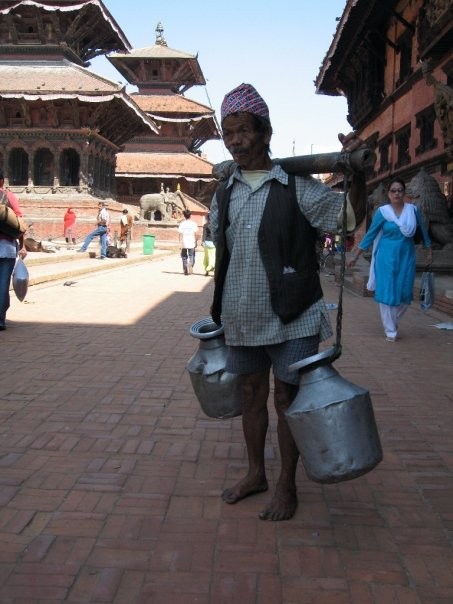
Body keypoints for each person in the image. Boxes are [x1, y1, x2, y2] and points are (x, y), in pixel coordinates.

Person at [210, 82, 367, 521]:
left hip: (293, 315)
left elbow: (347, 219)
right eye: (228, 133)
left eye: (244, 131)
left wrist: (359, 175)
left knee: (287, 398)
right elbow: (220, 245)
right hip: (241, 314)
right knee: (250, 394)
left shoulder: (298, 187)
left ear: (265, 133)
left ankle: (286, 485)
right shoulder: (223, 191)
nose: (236, 141)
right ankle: (256, 473)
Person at [348, 178, 432, 341]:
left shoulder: (413, 211)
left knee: (405, 292)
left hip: (407, 256)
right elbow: (370, 235)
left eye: (400, 190)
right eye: (393, 191)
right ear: (388, 194)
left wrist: (429, 251)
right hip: (386, 257)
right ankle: (390, 330)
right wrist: (355, 256)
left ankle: (392, 321)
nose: (397, 193)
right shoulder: (383, 212)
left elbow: (423, 230)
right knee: (388, 291)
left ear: (404, 192)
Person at [0, 171, 27, 330]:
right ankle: (0, 319)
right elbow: (19, 223)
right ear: (2, 181)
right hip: (7, 247)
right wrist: (22, 245)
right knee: (3, 284)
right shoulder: (8, 196)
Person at [178, 209, 198, 275]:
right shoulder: (193, 224)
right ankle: (191, 264)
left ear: (184, 216)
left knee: (184, 257)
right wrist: (196, 241)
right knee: (192, 256)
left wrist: (180, 243)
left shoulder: (182, 224)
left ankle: (185, 271)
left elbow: (180, 234)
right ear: (190, 216)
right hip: (191, 242)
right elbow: (196, 234)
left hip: (184, 242)